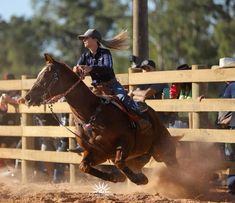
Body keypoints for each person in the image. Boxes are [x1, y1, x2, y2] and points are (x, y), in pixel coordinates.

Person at [73, 28, 151, 130]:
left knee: (123, 98)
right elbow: (77, 68)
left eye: (86, 38)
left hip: (112, 85)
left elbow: (108, 68)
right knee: (87, 105)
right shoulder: (85, 56)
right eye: (83, 39)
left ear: (95, 39)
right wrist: (77, 69)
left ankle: (141, 119)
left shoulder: (105, 53)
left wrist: (91, 68)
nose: (83, 40)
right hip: (97, 87)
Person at [129, 59, 170, 125]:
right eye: (143, 69)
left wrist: (133, 92)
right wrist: (140, 97)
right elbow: (132, 96)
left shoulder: (160, 80)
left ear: (154, 70)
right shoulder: (143, 83)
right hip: (151, 118)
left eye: (148, 69)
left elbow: (145, 94)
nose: (145, 71)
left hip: (164, 119)